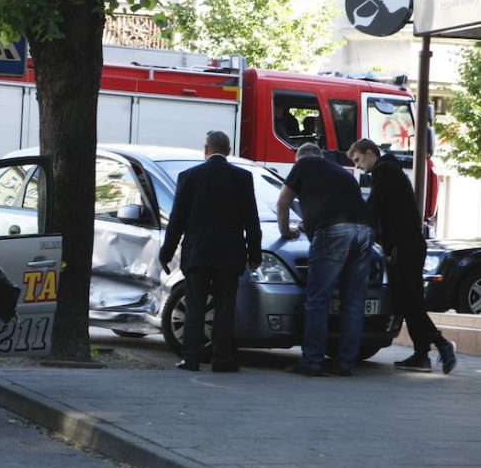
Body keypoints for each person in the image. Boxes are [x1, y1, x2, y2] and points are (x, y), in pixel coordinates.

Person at [347, 138, 456, 374]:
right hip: (409, 245)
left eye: (358, 160)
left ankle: (441, 344)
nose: (358, 166)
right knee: (409, 301)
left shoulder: (384, 171)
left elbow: (373, 208)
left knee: (410, 301)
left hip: (403, 247)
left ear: (369, 152)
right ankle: (421, 355)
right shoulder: (391, 170)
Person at [159, 130, 261, 373]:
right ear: (227, 151)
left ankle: (191, 358)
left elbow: (177, 220)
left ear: (206, 150)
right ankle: (222, 358)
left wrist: (166, 253)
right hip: (229, 252)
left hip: (198, 252)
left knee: (195, 304)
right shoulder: (242, 178)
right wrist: (254, 255)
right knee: (225, 305)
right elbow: (252, 221)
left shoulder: (189, 177)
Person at [276, 142, 373, 376]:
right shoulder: (343, 173)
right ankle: (345, 363)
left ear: (302, 158)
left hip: (334, 231)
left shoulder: (304, 164)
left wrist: (286, 232)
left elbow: (283, 202)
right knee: (353, 302)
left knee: (318, 298)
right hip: (365, 231)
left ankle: (312, 362)